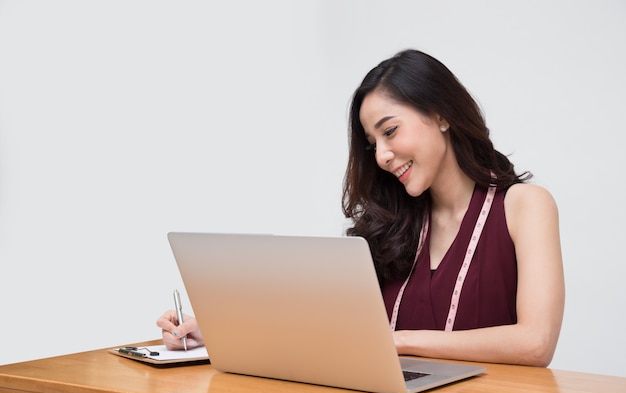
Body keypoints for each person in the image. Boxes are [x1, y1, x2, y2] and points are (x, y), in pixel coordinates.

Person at [157, 49, 565, 367]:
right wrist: (214, 331)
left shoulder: (524, 206)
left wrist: (398, 340)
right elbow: (327, 326)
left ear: (441, 114)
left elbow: (535, 343)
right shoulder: (394, 224)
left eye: (390, 131)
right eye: (373, 144)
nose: (383, 156)